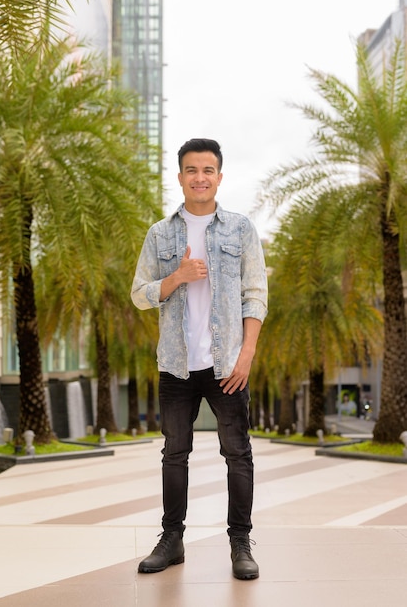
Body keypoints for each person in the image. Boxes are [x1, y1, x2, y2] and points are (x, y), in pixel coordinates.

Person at [131, 138, 268, 580]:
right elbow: (139, 295)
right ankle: (172, 541)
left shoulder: (240, 229)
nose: (200, 178)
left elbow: (256, 295)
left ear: (219, 176)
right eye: (192, 170)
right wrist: (176, 278)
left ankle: (240, 544)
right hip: (176, 362)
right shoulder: (160, 233)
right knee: (175, 453)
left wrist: (246, 354)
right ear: (181, 177)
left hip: (227, 363)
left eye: (208, 170)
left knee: (238, 454)